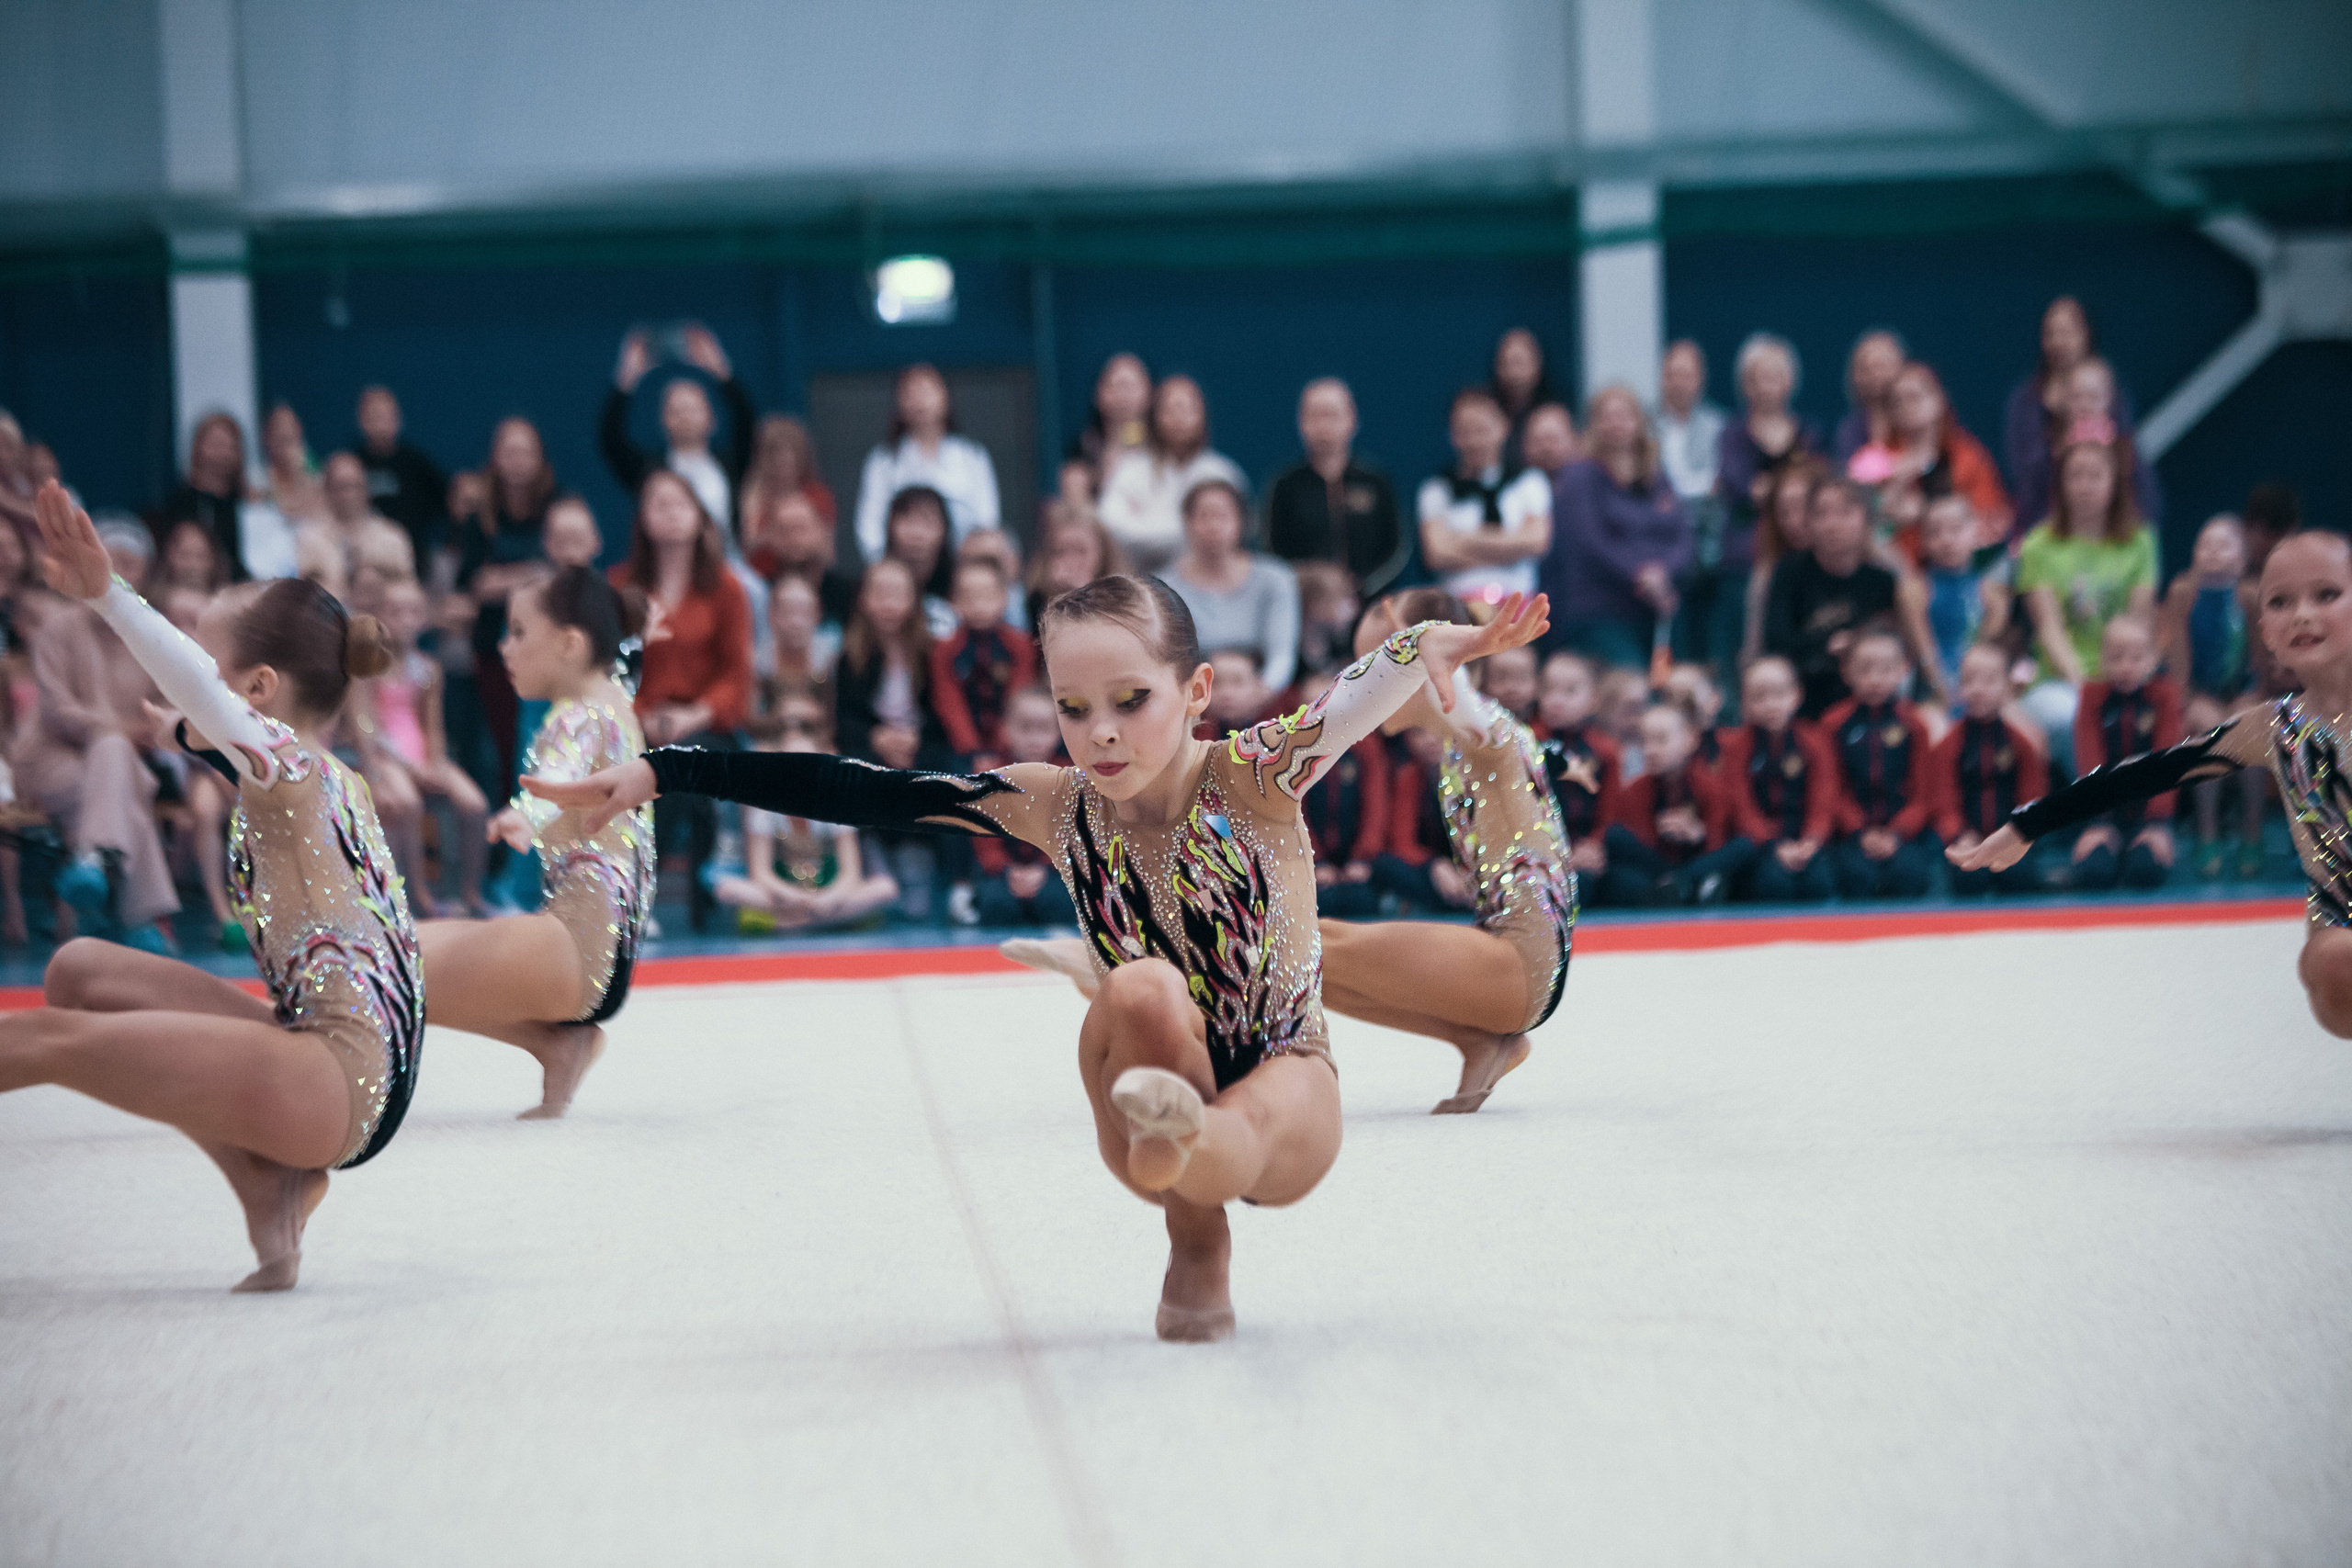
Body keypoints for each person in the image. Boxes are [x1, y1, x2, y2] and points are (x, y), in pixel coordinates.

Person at [530, 577, 1549, 1340]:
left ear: (1196, 689)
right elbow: (867, 789)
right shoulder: (1053, 804)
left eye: (1131, 699)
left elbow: (1349, 700)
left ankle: (1198, 1145)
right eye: (1073, 708)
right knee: (1143, 989)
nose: (1099, 734)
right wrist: (666, 770)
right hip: (1140, 1063)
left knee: (1249, 1104)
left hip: (1288, 1082)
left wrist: (1422, 647)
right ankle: (1196, 1237)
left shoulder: (1255, 776)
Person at [8, 482, 416, 1292]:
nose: (180, 683)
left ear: (256, 690)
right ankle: (270, 1186)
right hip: (338, 1059)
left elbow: (201, 691)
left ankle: (282, 1167)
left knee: (56, 1040)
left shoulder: (288, 764)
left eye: (204, 660)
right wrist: (186, 734)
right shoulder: (318, 773)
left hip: (337, 1079)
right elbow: (215, 724)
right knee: (81, 973)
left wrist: (109, 596)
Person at [1955, 531, 2352, 1033]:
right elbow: (2140, 775)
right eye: (2280, 602)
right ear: (2264, 633)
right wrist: (2026, 825)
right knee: (2334, 964)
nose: (2302, 615)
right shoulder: (2274, 729)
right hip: (2339, 932)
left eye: (2327, 595)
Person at [419, 566, 651, 1118]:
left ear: (571, 644)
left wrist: (527, 814)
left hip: (576, 945)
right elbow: (625, 662)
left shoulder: (578, 717)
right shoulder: (615, 697)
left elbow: (560, 777)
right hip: (603, 949)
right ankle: (555, 1044)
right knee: (399, 960)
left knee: (385, 963)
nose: (505, 647)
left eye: (520, 632)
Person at [611, 470, 752, 929]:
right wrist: (641, 716)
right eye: (659, 503)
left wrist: (693, 715)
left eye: (680, 503)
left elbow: (737, 676)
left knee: (682, 762)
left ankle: (695, 899)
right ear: (642, 518)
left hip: (707, 722)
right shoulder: (620, 587)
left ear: (699, 517)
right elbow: (609, 670)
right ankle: (637, 896)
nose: (670, 513)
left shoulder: (727, 588)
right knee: (655, 762)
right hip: (636, 722)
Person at [2012, 428, 2160, 772]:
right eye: (2075, 475)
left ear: (2114, 483)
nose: (2085, 485)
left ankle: (2147, 800)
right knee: (2073, 715)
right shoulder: (2038, 545)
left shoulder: (2140, 541)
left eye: (2095, 475)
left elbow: (2139, 623)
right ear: (2061, 484)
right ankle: (2096, 800)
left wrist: (2123, 678)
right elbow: (2049, 630)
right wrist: (2087, 689)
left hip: (2127, 671)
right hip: (2059, 681)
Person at [356, 575, 490, 919]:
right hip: (387, 757)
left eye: (413, 612)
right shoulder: (367, 669)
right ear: (379, 616)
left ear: (424, 617)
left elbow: (433, 727)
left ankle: (471, 893)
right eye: (395, 612)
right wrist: (386, 772)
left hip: (420, 755)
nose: (405, 620)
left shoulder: (428, 669)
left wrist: (435, 763)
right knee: (408, 803)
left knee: (475, 804)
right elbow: (367, 727)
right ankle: (418, 895)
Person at [715, 699, 899, 934]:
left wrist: (828, 899)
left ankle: (792, 923)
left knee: (885, 889)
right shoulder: (764, 808)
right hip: (786, 894)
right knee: (728, 889)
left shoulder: (838, 804)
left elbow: (850, 873)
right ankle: (831, 922)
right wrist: (797, 897)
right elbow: (760, 874)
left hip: (828, 891)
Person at [1544, 386, 1690, 669]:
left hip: (1659, 610)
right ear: (1593, 424)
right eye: (1607, 417)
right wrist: (1641, 576)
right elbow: (1589, 541)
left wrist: (1664, 574)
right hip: (1601, 611)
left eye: (1624, 415)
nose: (1616, 424)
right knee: (1628, 684)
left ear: (1640, 421)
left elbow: (1683, 538)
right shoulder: (1578, 475)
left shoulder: (1657, 476)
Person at [1702, 334, 1819, 682]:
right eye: (1759, 377)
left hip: (1796, 553)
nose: (1767, 385)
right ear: (1745, 384)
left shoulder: (1808, 433)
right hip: (1742, 558)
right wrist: (1781, 488)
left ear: (1790, 381)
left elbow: (1811, 484)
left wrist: (1773, 489)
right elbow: (1743, 485)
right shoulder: (1731, 434)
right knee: (1738, 652)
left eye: (1775, 375)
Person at [454, 417, 562, 784]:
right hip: (495, 647)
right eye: (509, 452)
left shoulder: (556, 507)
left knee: (548, 737)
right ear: (495, 458)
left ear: (540, 458)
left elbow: (563, 572)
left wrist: (504, 579)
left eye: (525, 452)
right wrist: (533, 572)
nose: (517, 461)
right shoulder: (479, 517)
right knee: (504, 743)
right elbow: (475, 584)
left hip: (549, 645)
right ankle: (510, 815)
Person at [2161, 515, 2267, 879]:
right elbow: (2177, 658)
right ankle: (2208, 833)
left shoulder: (2250, 595)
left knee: (2250, 727)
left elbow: (2260, 657)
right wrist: (2186, 699)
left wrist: (2253, 695)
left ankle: (2252, 831)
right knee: (2208, 729)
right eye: (2205, 545)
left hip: (2243, 690)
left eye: (2224, 545)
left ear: (2242, 558)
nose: (2213, 552)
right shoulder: (2182, 592)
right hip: (2200, 691)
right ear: (2193, 554)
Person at [601, 325, 758, 538]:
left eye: (693, 409)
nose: (685, 416)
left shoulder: (731, 463)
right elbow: (611, 439)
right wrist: (626, 380)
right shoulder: (650, 470)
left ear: (712, 419)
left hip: (728, 557)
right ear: (663, 420)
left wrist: (722, 372)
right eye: (676, 410)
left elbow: (747, 422)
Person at [1763, 476, 1900, 717]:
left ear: (1866, 519)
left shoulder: (1882, 580)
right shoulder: (1789, 572)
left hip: (1869, 705)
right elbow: (1776, 643)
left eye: (1845, 513)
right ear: (1808, 522)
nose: (1832, 525)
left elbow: (1895, 648)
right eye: (1821, 514)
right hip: (1803, 703)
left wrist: (1857, 645)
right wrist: (1827, 644)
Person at [1850, 362, 2013, 563]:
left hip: (1960, 567)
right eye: (1897, 401)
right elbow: (1859, 524)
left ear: (1938, 399)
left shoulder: (1968, 456)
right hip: (1893, 566)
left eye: (1914, 397)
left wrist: (1925, 513)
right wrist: (1895, 492)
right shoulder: (1872, 460)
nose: (1906, 406)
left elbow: (1992, 520)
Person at [1262, 378, 1408, 597]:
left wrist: (1362, 587)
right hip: (1303, 604)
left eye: (1331, 415)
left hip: (1370, 602)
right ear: (1301, 422)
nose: (1323, 426)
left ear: (1352, 419)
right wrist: (1310, 586)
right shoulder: (1285, 486)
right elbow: (1270, 550)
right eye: (1315, 416)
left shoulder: (1375, 482)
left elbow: (1397, 548)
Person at [2066, 615, 2181, 892]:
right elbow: (2089, 763)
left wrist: (2156, 825)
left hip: (2150, 812)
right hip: (2105, 811)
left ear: (2152, 659)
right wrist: (2098, 823)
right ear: (2102, 659)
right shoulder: (2092, 697)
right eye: (2116, 658)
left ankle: (2147, 839)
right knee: (2094, 874)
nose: (2126, 667)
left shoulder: (2164, 696)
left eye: (2136, 658)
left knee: (2145, 872)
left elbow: (2169, 765)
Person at [1822, 630, 1939, 898]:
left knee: (1909, 875)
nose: (1874, 679)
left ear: (1902, 670)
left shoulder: (1915, 724)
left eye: (1885, 670)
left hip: (1903, 834)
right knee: (1855, 877)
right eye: (1865, 670)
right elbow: (1831, 790)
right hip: (1851, 835)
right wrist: (1859, 832)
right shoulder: (1833, 724)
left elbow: (1924, 794)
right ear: (1846, 672)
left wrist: (1897, 833)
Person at [1932, 644, 2052, 897]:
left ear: (2007, 687)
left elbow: (2033, 795)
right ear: (1959, 688)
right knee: (1967, 878)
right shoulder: (1949, 745)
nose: (1978, 689)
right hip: (1966, 841)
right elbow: (1944, 800)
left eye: (1989, 681)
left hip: (2012, 838)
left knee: (2021, 877)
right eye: (1969, 680)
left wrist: (2017, 832)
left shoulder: (2020, 743)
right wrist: (1958, 834)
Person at [1419, 387, 1552, 612]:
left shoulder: (1529, 481)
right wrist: (1510, 550)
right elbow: (1437, 554)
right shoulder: (1436, 490)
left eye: (1482, 430)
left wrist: (1463, 540)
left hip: (1517, 606)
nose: (1474, 441)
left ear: (1503, 427)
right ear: (1452, 435)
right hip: (1459, 608)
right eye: (1465, 432)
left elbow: (1536, 542)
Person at [1599, 702, 1746, 906]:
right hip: (1656, 867)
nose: (1650, 750)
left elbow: (1719, 841)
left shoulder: (1711, 786)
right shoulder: (1636, 789)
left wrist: (1698, 835)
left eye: (1661, 740)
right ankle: (1684, 885)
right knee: (1615, 841)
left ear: (1690, 740)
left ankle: (1681, 883)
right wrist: (1662, 831)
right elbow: (1637, 844)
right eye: (1645, 741)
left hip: (1697, 861)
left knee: (1744, 846)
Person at [1715, 654, 1836, 902]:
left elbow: (1823, 797)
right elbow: (1740, 805)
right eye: (1759, 697)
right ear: (1744, 702)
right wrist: (1773, 845)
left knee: (1819, 883)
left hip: (1807, 842)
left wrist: (1812, 840)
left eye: (1779, 694)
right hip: (1761, 845)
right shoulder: (1735, 746)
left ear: (1797, 695)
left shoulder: (1814, 741)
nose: (1771, 704)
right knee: (1773, 884)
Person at [1098, 374, 1245, 572]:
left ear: (1202, 416)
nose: (1179, 418)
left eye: (1187, 409)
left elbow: (1234, 532)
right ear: (1154, 415)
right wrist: (1186, 531)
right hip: (1140, 577)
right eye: (1170, 409)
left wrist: (1146, 519)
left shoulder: (1221, 473)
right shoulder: (1130, 468)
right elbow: (1111, 523)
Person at [854, 364, 1001, 562]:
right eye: (910, 392)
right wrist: (884, 567)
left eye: (927, 390)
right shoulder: (882, 461)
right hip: (900, 566)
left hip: (962, 565)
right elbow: (869, 527)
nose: (919, 399)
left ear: (946, 397)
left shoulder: (973, 456)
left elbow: (987, 521)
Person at [1166, 479, 1301, 693]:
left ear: (1242, 521)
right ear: (1187, 522)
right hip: (1192, 695)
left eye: (1223, 516)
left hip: (1262, 694)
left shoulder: (1276, 578)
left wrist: (1261, 691)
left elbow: (1282, 654)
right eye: (1204, 516)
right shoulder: (1164, 588)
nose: (1214, 526)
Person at [2012, 355, 2161, 535]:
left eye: (2093, 397)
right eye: (2076, 397)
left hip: (2112, 540)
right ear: (2062, 401)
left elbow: (2148, 504)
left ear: (2110, 400)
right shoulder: (2046, 451)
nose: (2085, 405)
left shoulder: (2124, 450)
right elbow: (2031, 504)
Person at [1897, 493, 2012, 714]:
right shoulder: (1914, 589)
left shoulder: (1992, 593)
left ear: (1975, 531)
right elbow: (1924, 652)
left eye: (1955, 529)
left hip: (1978, 687)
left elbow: (1986, 650)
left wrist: (1974, 691)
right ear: (1923, 540)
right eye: (1935, 532)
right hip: (1929, 690)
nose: (1946, 540)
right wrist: (1944, 690)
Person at [969, 688, 1073, 928]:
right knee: (996, 906)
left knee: (1058, 904)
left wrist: (1045, 869)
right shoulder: (989, 773)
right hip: (1001, 871)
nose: (1034, 738)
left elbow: (1070, 836)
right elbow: (983, 837)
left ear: (1059, 732)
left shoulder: (1070, 777)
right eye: (1025, 728)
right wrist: (1007, 870)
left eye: (1044, 729)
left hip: (1054, 869)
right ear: (1006, 728)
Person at [929, 556, 1036, 762]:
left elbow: (1018, 697)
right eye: (967, 597)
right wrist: (972, 750)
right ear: (953, 601)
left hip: (1010, 743)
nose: (978, 605)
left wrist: (1000, 746)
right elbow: (948, 702)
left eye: (987, 596)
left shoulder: (1020, 645)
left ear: (1004, 597)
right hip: (959, 746)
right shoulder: (945, 649)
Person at [1533, 651, 1617, 886]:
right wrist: (1562, 853)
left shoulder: (1605, 750)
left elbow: (1609, 812)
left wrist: (1594, 844)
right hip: (1543, 851)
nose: (1556, 700)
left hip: (1588, 851)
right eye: (1548, 689)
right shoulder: (1528, 742)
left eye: (1570, 691)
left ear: (1594, 700)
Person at [1741, 456, 1827, 666]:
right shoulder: (1767, 575)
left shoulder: (1870, 563)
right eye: (1784, 512)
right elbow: (1754, 652)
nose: (1793, 521)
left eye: (1801, 507)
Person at [354, 386, 448, 572]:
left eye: (386, 416)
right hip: (360, 560)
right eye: (374, 416)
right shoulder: (352, 464)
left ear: (398, 419)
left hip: (411, 560)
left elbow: (448, 500)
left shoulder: (416, 463)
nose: (380, 424)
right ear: (361, 420)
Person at [305, 451, 417, 604]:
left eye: (356, 486)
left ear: (367, 488)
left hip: (383, 615)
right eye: (341, 487)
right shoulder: (309, 539)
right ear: (327, 490)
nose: (349, 494)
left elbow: (410, 593)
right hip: (330, 614)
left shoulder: (392, 537)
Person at [155, 411, 254, 582]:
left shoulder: (249, 504)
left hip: (244, 584)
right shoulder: (180, 502)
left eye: (229, 446)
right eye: (215, 444)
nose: (221, 453)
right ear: (198, 447)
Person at [748, 490, 860, 626]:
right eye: (784, 530)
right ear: (769, 537)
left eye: (801, 528)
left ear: (823, 532)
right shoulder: (755, 593)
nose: (793, 538)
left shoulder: (847, 596)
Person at [735, 413, 835, 543]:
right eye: (774, 452)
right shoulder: (753, 495)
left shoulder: (818, 496)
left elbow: (825, 547)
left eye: (790, 452)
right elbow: (749, 543)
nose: (782, 459)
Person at [1023, 511, 1128, 628]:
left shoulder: (1123, 598)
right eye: (1061, 552)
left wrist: (1086, 596)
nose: (1071, 561)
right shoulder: (1035, 601)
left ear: (1103, 554)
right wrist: (1057, 599)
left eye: (1080, 551)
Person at [1068, 353, 1153, 493]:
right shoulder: (1086, 446)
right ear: (1098, 395)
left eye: (1131, 386)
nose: (1123, 396)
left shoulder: (1166, 444)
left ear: (1151, 393)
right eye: (1116, 385)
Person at [1488, 327, 1560, 472]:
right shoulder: (1487, 410)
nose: (1514, 373)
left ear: (1537, 366)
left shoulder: (1555, 411)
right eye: (1507, 364)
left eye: (1519, 363)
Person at [1833, 329, 1906, 463]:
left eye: (1882, 366)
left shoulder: (1915, 423)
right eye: (1866, 368)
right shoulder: (1849, 430)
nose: (1875, 374)